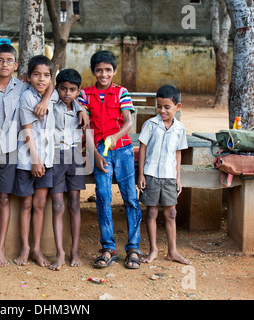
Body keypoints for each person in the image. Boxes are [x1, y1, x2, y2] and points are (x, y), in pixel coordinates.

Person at [0, 44, 51, 267]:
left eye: (9, 61)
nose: (4, 64)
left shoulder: (22, 87)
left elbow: (49, 82)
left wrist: (44, 101)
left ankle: (0, 250)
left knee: (4, 199)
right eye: (0, 60)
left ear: (15, 65)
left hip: (11, 152)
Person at [79, 50, 142, 269]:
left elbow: (128, 123)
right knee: (103, 196)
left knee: (130, 197)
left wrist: (115, 136)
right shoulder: (85, 95)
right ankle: (108, 247)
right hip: (99, 151)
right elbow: (84, 126)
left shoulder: (121, 92)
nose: (103, 74)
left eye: (108, 70)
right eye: (99, 70)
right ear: (94, 72)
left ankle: (133, 248)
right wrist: (95, 153)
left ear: (114, 71)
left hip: (123, 149)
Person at [13, 55, 58, 267]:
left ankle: (37, 249)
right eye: (36, 75)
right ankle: (25, 247)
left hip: (47, 159)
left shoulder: (54, 95)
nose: (41, 79)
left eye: (46, 75)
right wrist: (35, 160)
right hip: (28, 158)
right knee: (27, 204)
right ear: (28, 76)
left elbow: (53, 85)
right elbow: (26, 129)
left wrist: (46, 98)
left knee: (40, 204)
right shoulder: (25, 98)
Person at [138, 84, 191, 265]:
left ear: (178, 107)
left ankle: (172, 251)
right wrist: (141, 174)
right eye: (159, 106)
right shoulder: (150, 125)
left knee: (171, 213)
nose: (162, 110)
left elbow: (178, 153)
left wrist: (178, 178)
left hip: (169, 176)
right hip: (151, 174)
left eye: (167, 107)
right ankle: (153, 250)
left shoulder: (180, 129)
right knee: (151, 212)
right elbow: (143, 148)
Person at [49, 69, 89, 271]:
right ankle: (60, 253)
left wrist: (81, 107)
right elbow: (45, 87)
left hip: (75, 156)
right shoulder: (50, 103)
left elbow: (82, 104)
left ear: (78, 91)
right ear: (57, 89)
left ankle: (74, 250)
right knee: (57, 205)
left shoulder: (81, 107)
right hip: (55, 156)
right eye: (63, 88)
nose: (67, 93)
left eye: (72, 90)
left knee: (74, 203)